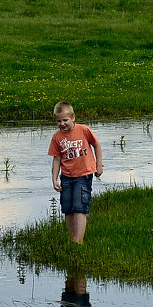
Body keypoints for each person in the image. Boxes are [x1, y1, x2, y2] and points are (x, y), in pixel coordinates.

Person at [47, 101, 103, 244]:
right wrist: (54, 179)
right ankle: (73, 239)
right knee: (68, 208)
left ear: (73, 117)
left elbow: (96, 144)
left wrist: (98, 165)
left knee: (79, 207)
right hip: (66, 177)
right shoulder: (57, 137)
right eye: (58, 121)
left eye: (65, 120)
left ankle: (79, 240)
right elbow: (57, 159)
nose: (62, 123)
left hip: (83, 175)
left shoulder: (83, 130)